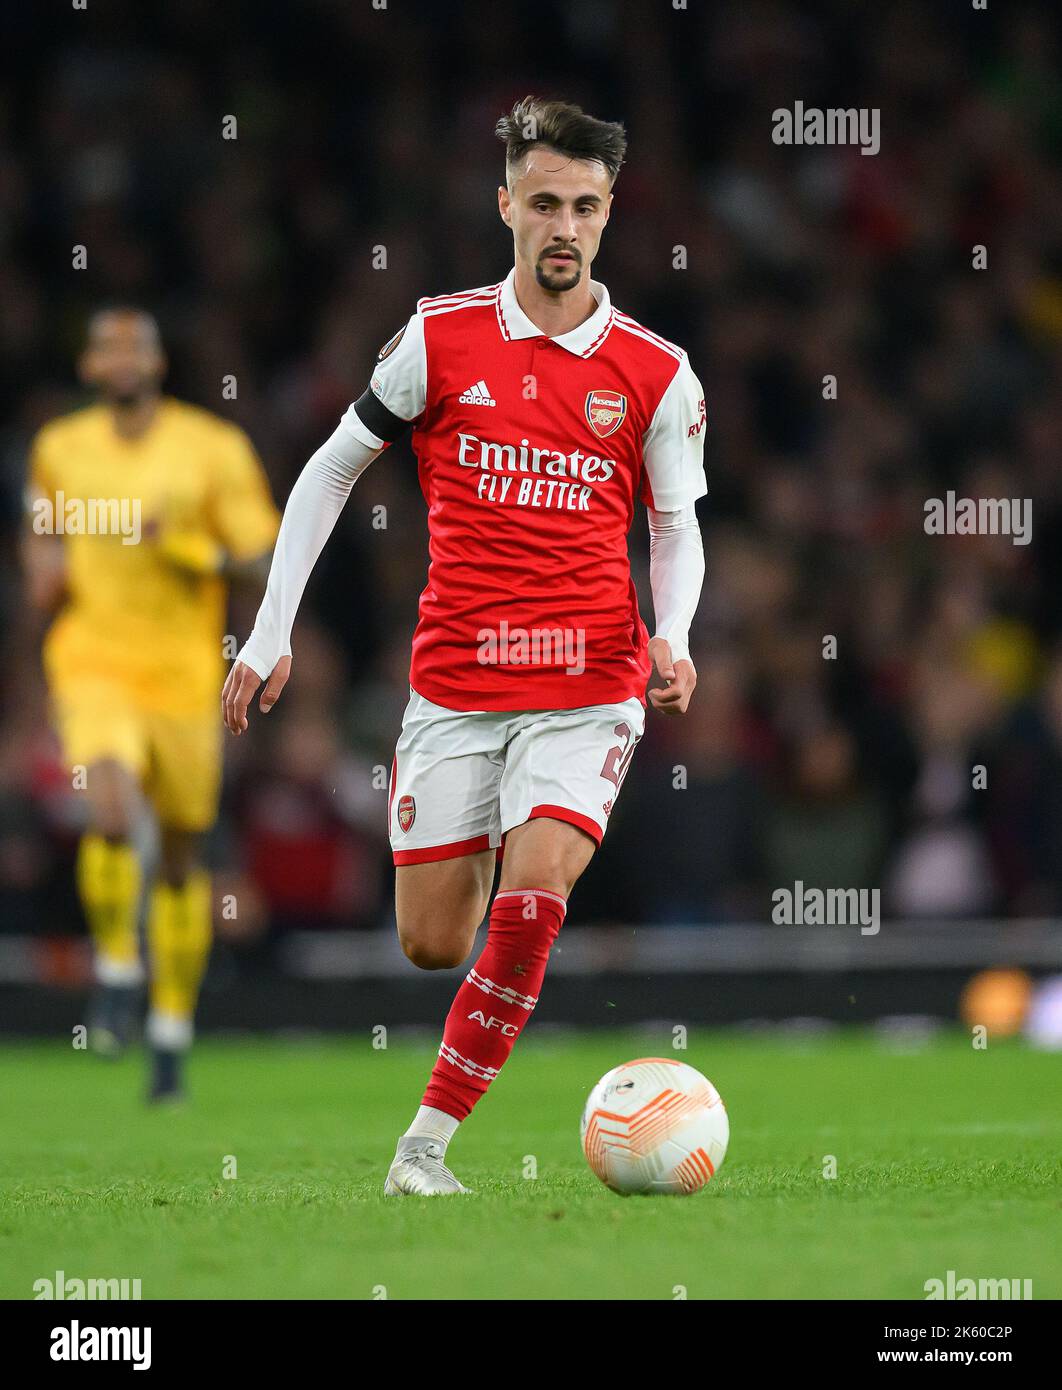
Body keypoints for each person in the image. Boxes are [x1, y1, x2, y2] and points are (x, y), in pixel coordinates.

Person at [223, 97, 707, 1192]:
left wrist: (671, 634)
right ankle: (492, 836)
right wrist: (270, 630)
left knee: (534, 897)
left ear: (610, 213)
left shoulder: (655, 372)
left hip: (591, 680)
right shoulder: (438, 339)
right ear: (506, 207)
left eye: (585, 206)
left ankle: (422, 1150)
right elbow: (330, 467)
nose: (564, 227)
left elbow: (676, 524)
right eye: (544, 203)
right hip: (457, 682)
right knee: (435, 941)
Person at [26, 308, 278, 1100]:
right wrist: (42, 568)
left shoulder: (213, 448)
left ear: (160, 362)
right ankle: (116, 971)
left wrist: (194, 552)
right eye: (108, 347)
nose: (124, 358)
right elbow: (41, 530)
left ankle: (170, 1029)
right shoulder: (60, 449)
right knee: (106, 803)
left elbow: (265, 557)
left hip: (184, 678)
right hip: (94, 662)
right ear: (90, 367)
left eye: (138, 345)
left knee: (177, 861)